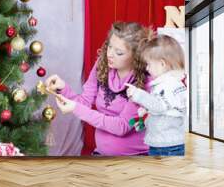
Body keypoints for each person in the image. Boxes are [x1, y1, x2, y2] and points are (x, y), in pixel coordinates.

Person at [45, 22, 151, 156]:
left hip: (135, 158)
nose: (110, 55)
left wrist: (76, 109)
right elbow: (84, 102)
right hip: (101, 154)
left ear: (136, 57)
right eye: (110, 47)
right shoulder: (102, 66)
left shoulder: (144, 82)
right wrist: (63, 89)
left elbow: (122, 126)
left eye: (119, 52)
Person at [126, 35, 187, 156]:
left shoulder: (168, 84)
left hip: (166, 146)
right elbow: (163, 108)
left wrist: (138, 94)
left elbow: (159, 106)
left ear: (162, 64)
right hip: (166, 143)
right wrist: (146, 115)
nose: (147, 68)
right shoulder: (172, 83)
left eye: (148, 64)